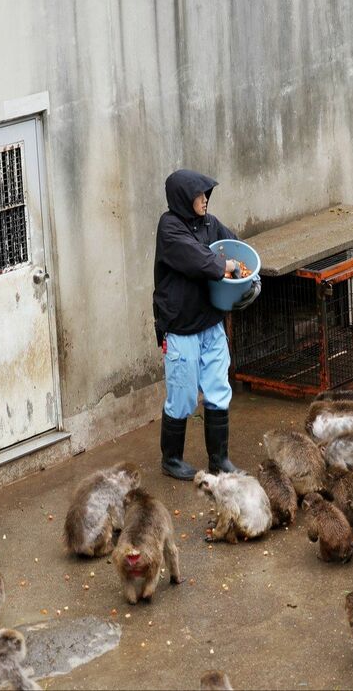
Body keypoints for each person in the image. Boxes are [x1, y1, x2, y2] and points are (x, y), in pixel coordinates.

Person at [153, 169, 260, 480]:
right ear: (184, 200)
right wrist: (224, 266)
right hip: (181, 327)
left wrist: (252, 279)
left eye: (206, 194)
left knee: (218, 388)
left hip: (211, 324)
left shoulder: (210, 224)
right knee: (183, 395)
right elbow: (197, 259)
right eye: (199, 195)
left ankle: (219, 459)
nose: (205, 200)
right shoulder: (169, 228)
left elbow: (236, 247)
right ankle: (171, 459)